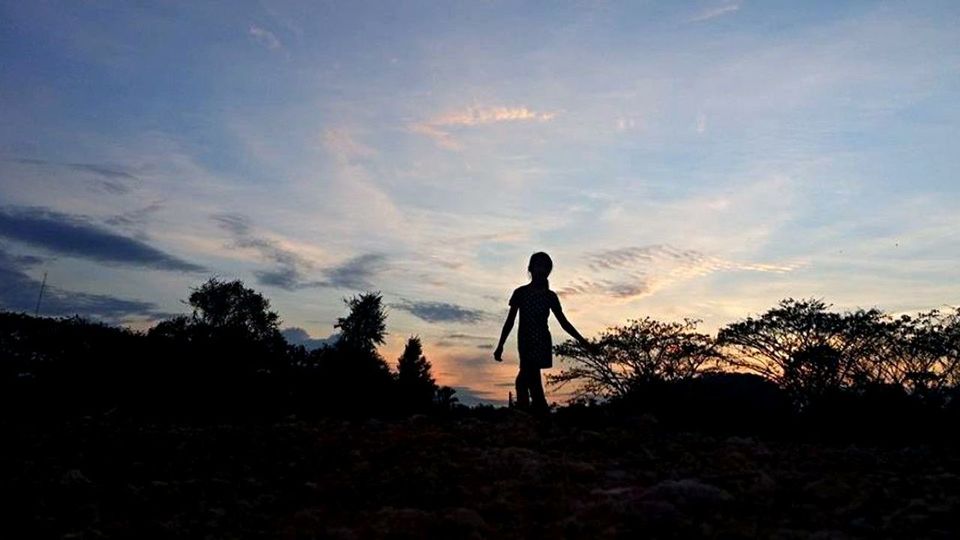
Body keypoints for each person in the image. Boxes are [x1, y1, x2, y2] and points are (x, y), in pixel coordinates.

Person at [494, 252, 590, 413]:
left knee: (524, 381)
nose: (541, 269)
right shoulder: (521, 293)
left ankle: (528, 417)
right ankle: (538, 418)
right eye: (538, 265)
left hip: (541, 342)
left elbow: (564, 323)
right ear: (531, 268)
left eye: (545, 267)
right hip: (524, 342)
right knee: (532, 381)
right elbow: (510, 321)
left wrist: (583, 342)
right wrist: (500, 345)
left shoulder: (550, 297)